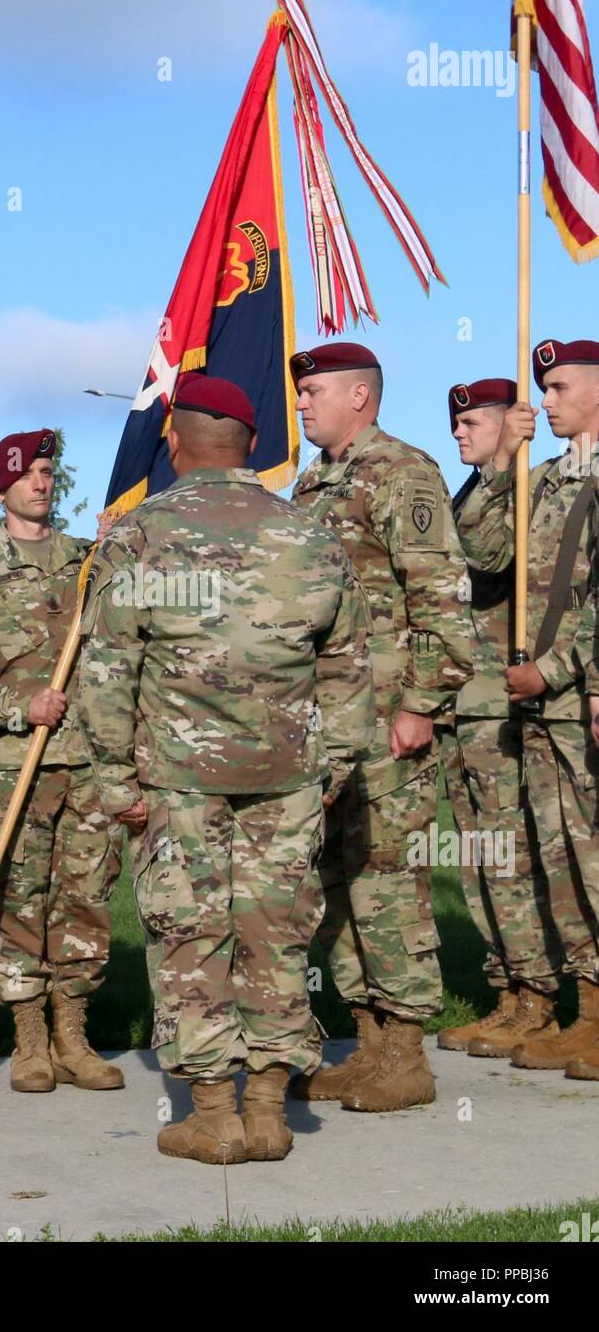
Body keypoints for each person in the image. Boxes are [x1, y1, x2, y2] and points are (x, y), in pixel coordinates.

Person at [79, 372, 374, 1165]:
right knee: (276, 936)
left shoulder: (141, 534)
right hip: (290, 778)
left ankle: (213, 1114)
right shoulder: (310, 533)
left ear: (176, 441)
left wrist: (114, 779)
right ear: (250, 446)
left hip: (177, 782)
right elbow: (348, 667)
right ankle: (271, 1111)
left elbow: (107, 670)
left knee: (190, 939)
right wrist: (330, 771)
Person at [288, 342, 473, 1112]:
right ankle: (368, 1045)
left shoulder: (404, 473)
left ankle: (408, 1055)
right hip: (326, 728)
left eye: (315, 392)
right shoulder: (312, 484)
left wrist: (418, 707)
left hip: (386, 721)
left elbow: (443, 601)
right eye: (301, 393)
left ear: (360, 397)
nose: (301, 403)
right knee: (339, 885)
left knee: (389, 884)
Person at [0, 430, 123, 1093]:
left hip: (87, 763)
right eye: (28, 475)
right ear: (1, 487)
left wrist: (120, 543)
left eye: (49, 472)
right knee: (20, 901)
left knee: (86, 898)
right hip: (13, 767)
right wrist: (21, 705)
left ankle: (73, 1033)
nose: (42, 484)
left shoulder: (88, 561)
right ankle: (29, 1038)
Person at [456, 339, 599, 1076]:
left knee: (593, 855)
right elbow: (480, 555)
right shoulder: (541, 480)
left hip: (578, 697)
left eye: (560, 386)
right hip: (543, 709)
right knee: (560, 859)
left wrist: (554, 668)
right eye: (541, 388)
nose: (544, 400)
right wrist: (499, 465)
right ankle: (584, 1009)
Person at [438, 378, 567, 1055]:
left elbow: (487, 555)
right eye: (455, 423)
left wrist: (505, 470)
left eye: (473, 423)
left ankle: (539, 994)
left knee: (511, 853)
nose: (459, 433)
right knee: (476, 855)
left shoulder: (530, 486)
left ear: (509, 424)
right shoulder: (475, 489)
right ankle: (507, 988)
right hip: (464, 702)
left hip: (501, 703)